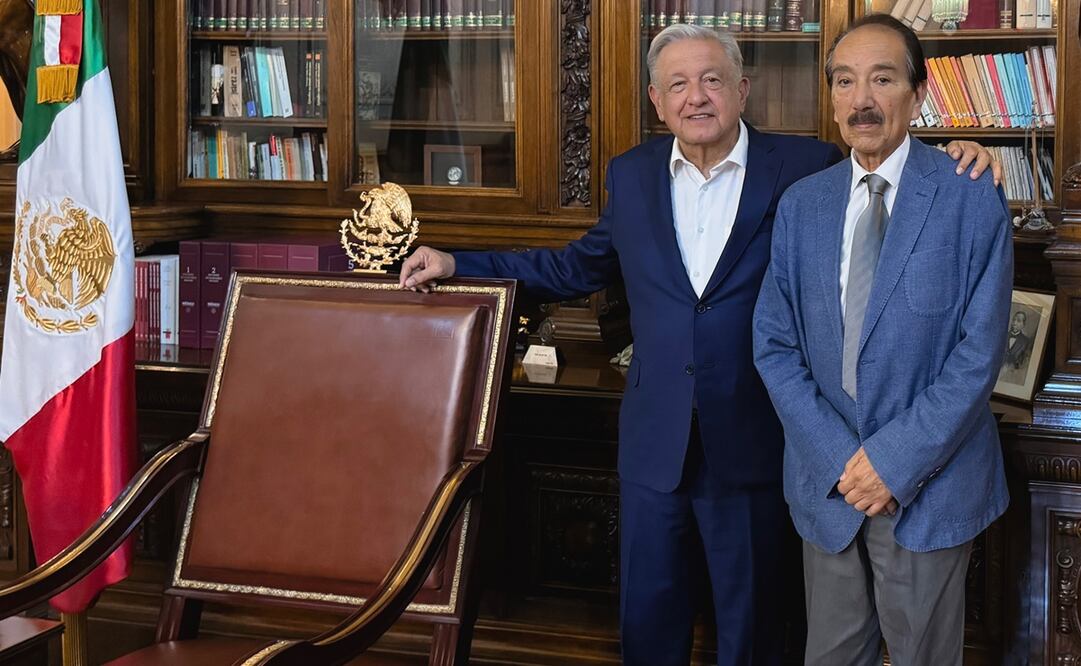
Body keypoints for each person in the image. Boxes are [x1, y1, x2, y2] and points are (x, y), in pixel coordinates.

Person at [400, 24, 997, 666]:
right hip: (657, 445)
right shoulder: (632, 176)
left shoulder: (802, 169)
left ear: (742, 90)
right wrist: (460, 264)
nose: (697, 97)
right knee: (649, 626)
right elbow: (574, 267)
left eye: (712, 80)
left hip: (753, 441)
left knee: (754, 630)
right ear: (656, 101)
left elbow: (886, 163)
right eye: (678, 84)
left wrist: (961, 152)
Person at [752, 14, 1012, 666]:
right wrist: (844, 462)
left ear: (918, 94)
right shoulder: (802, 204)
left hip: (930, 488)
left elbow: (978, 355)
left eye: (882, 79)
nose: (861, 99)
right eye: (845, 81)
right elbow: (774, 346)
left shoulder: (969, 195)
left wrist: (891, 464)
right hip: (831, 486)